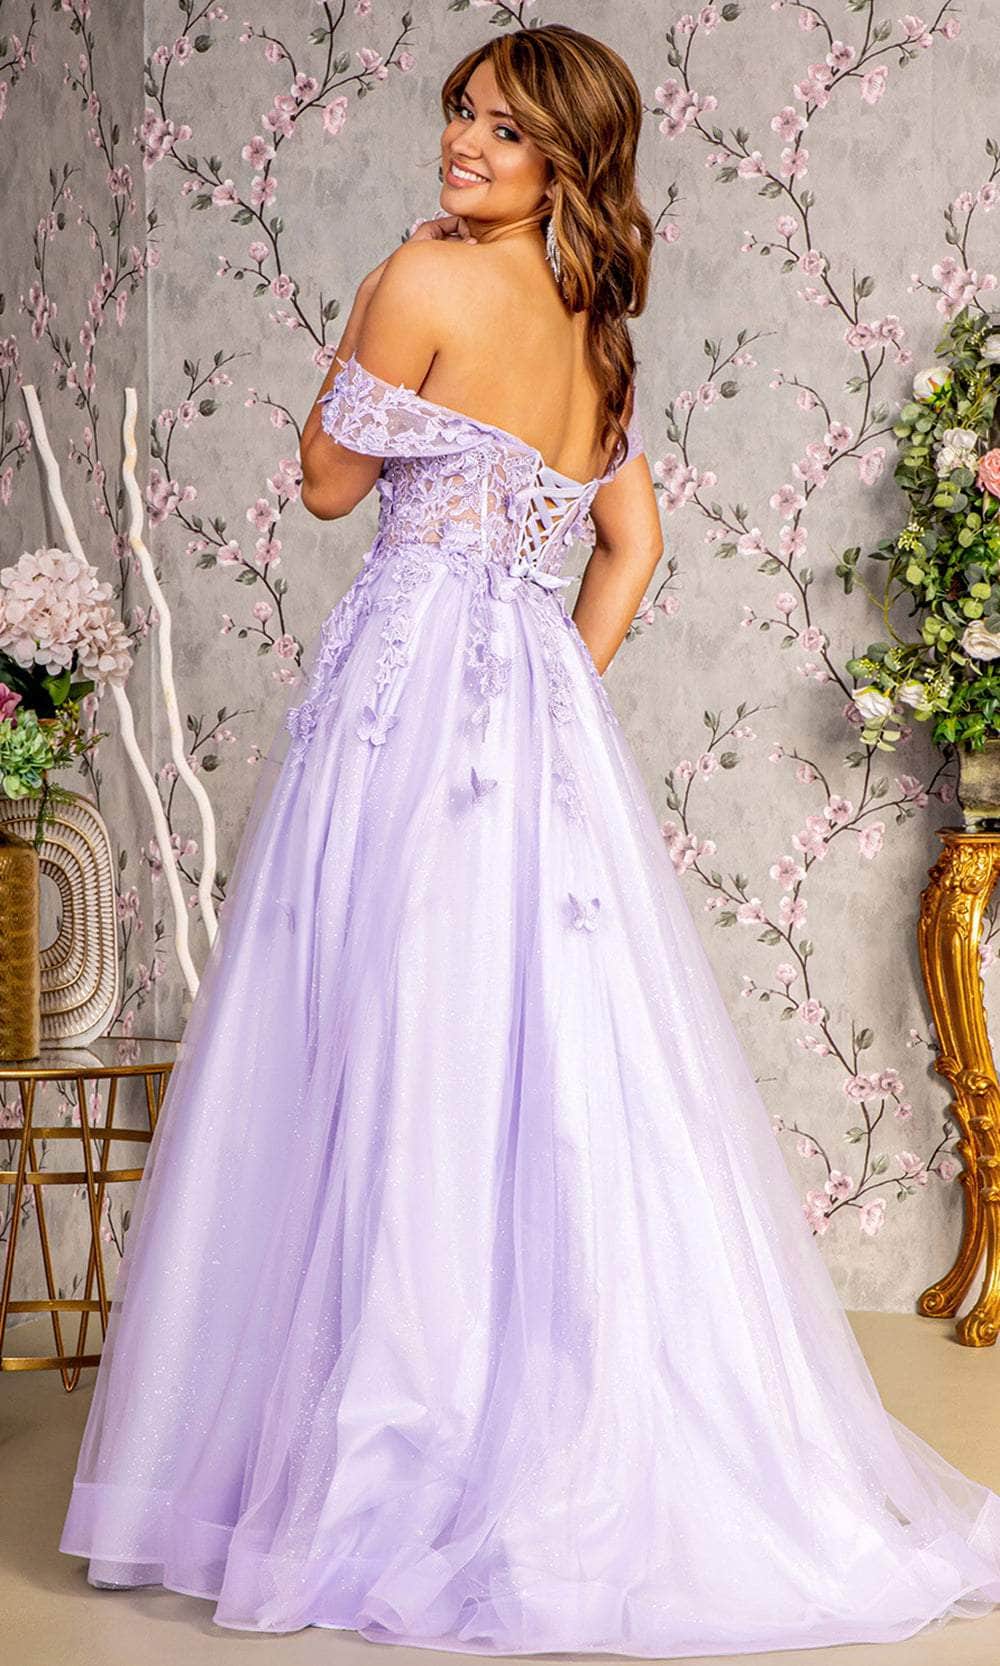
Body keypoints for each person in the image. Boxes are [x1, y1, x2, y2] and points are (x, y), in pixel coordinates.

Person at [60, 22, 1000, 1656]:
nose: (463, 143)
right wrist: (550, 674)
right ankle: (513, 1412)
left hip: (406, 693)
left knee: (385, 1035)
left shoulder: (423, 279)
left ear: (570, 156)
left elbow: (327, 484)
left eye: (502, 128)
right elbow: (631, 543)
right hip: (526, 714)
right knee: (526, 1051)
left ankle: (392, 1441)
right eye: (461, 114)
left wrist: (383, 290)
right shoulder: (597, 330)